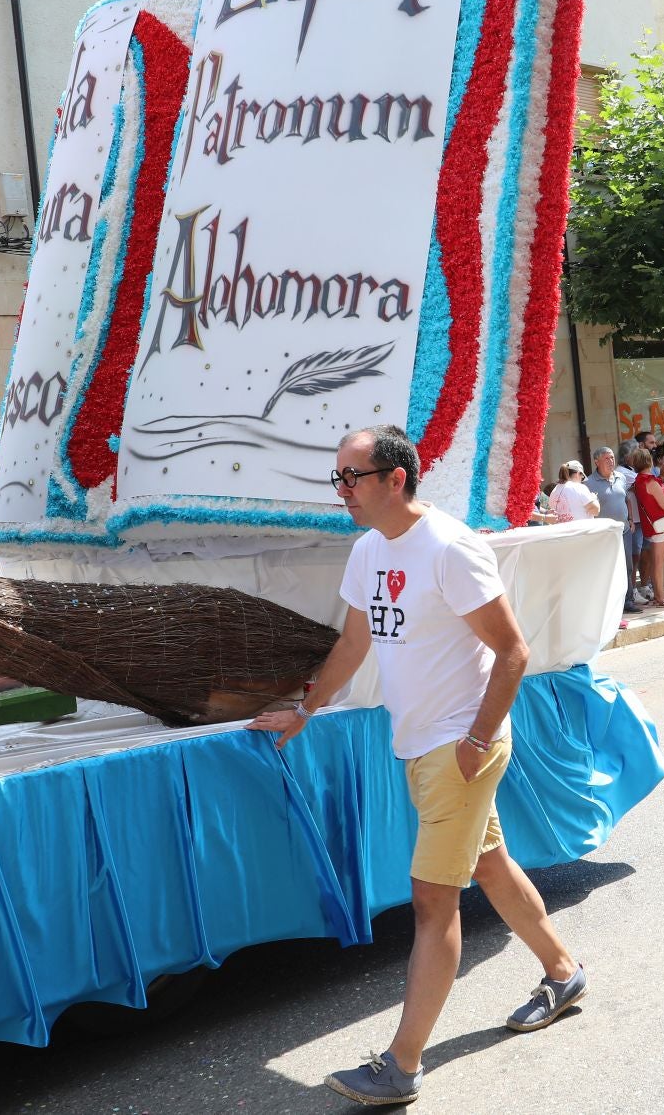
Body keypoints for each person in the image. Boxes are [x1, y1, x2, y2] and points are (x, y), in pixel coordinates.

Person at [247, 426, 585, 1106]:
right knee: (489, 863)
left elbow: (513, 650)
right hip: (422, 746)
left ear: (395, 478)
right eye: (337, 476)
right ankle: (563, 971)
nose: (340, 489)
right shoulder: (370, 549)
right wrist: (305, 708)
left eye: (351, 476)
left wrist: (477, 738)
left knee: (434, 902)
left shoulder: (450, 547)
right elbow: (352, 643)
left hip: (459, 747)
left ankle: (401, 1064)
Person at [585, 446, 640, 613]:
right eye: (606, 458)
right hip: (603, 534)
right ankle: (610, 604)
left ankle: (628, 601)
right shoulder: (588, 483)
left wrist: (630, 519)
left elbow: (627, 499)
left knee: (628, 566)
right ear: (597, 461)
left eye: (612, 458)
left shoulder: (621, 477)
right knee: (607, 569)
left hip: (623, 530)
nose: (611, 461)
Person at [632, 447, 664, 607]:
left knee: (656, 563)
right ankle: (661, 597)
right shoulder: (649, 481)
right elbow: (663, 503)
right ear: (649, 461)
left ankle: (659, 596)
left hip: (654, 525)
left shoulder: (640, 480)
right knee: (659, 564)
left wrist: (662, 476)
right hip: (661, 525)